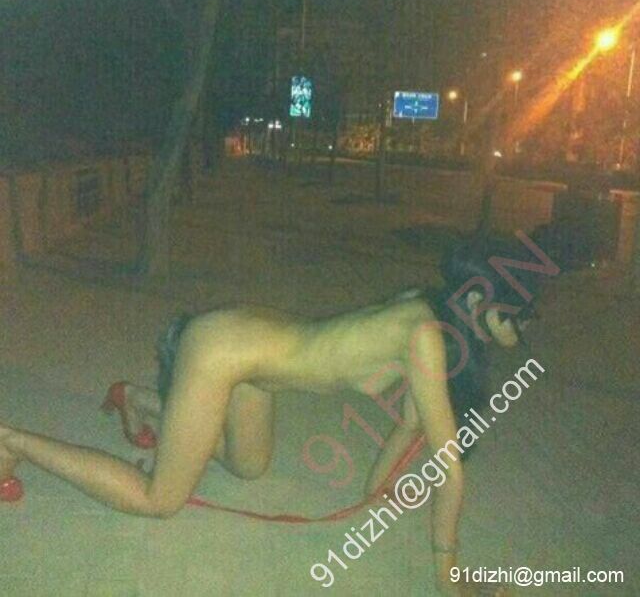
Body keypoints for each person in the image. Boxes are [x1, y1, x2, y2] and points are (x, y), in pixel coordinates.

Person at [0, 235, 545, 596]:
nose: (520, 331)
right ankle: (13, 443)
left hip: (254, 356)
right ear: (479, 305)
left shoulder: (426, 309)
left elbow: (408, 426)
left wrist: (377, 490)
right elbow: (449, 468)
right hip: (224, 348)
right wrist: (452, 578)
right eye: (516, 318)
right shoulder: (427, 336)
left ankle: (140, 402)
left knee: (250, 466)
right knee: (159, 500)